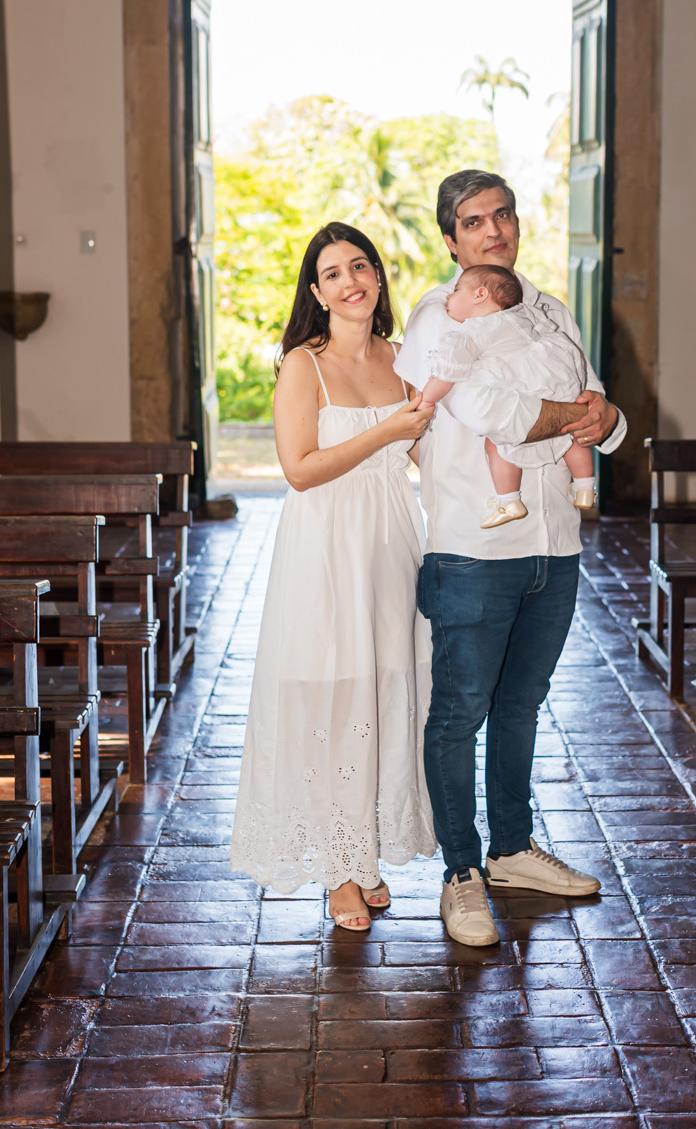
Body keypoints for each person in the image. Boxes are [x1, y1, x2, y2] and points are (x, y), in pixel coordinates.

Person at [394, 170, 626, 947]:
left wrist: (611, 416)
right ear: (450, 239)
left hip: (554, 547)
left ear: (516, 224)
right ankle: (460, 873)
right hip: (473, 550)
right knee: (459, 713)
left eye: (502, 216)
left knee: (522, 707)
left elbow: (602, 413)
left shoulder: (549, 309)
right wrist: (577, 416)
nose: (492, 231)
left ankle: (511, 851)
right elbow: (491, 412)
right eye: (472, 221)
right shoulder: (439, 317)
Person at [230, 221, 437, 931]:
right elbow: (299, 470)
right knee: (332, 692)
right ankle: (337, 870)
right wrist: (383, 431)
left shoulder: (405, 357)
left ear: (377, 277)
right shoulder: (303, 365)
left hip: (392, 540)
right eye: (333, 274)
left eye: (360, 266)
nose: (350, 281)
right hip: (326, 545)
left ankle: (366, 848)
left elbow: (428, 458)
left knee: (386, 686)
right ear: (315, 293)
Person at [416, 263, 596, 529]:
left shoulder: (472, 331)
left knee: (496, 444)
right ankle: (584, 488)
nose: (448, 297)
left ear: (479, 295)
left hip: (526, 388)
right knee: (570, 433)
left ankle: (509, 500)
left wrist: (427, 399)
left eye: (455, 291)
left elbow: (448, 373)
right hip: (559, 377)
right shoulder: (526, 314)